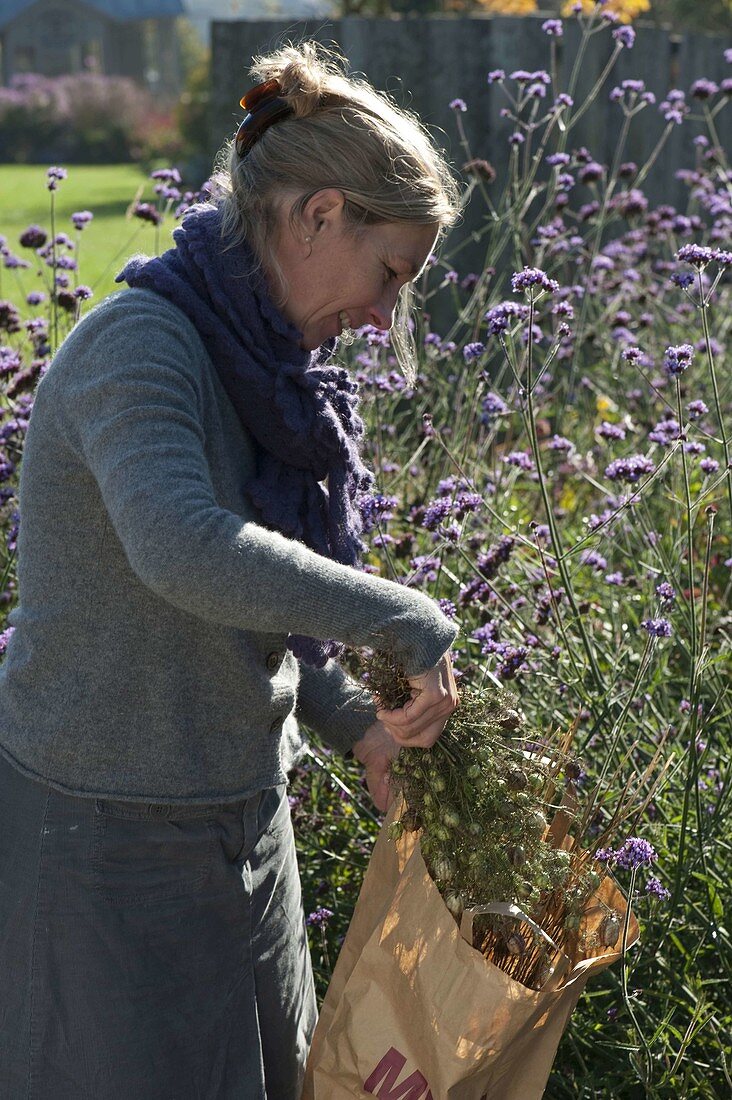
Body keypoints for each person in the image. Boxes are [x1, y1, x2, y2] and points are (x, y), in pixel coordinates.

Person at [0, 39, 462, 1100]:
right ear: (317, 216)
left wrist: (356, 726)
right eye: (390, 272)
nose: (386, 316)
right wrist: (404, 616)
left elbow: (255, 612)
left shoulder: (268, 372)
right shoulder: (141, 348)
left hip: (242, 824)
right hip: (103, 836)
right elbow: (186, 549)